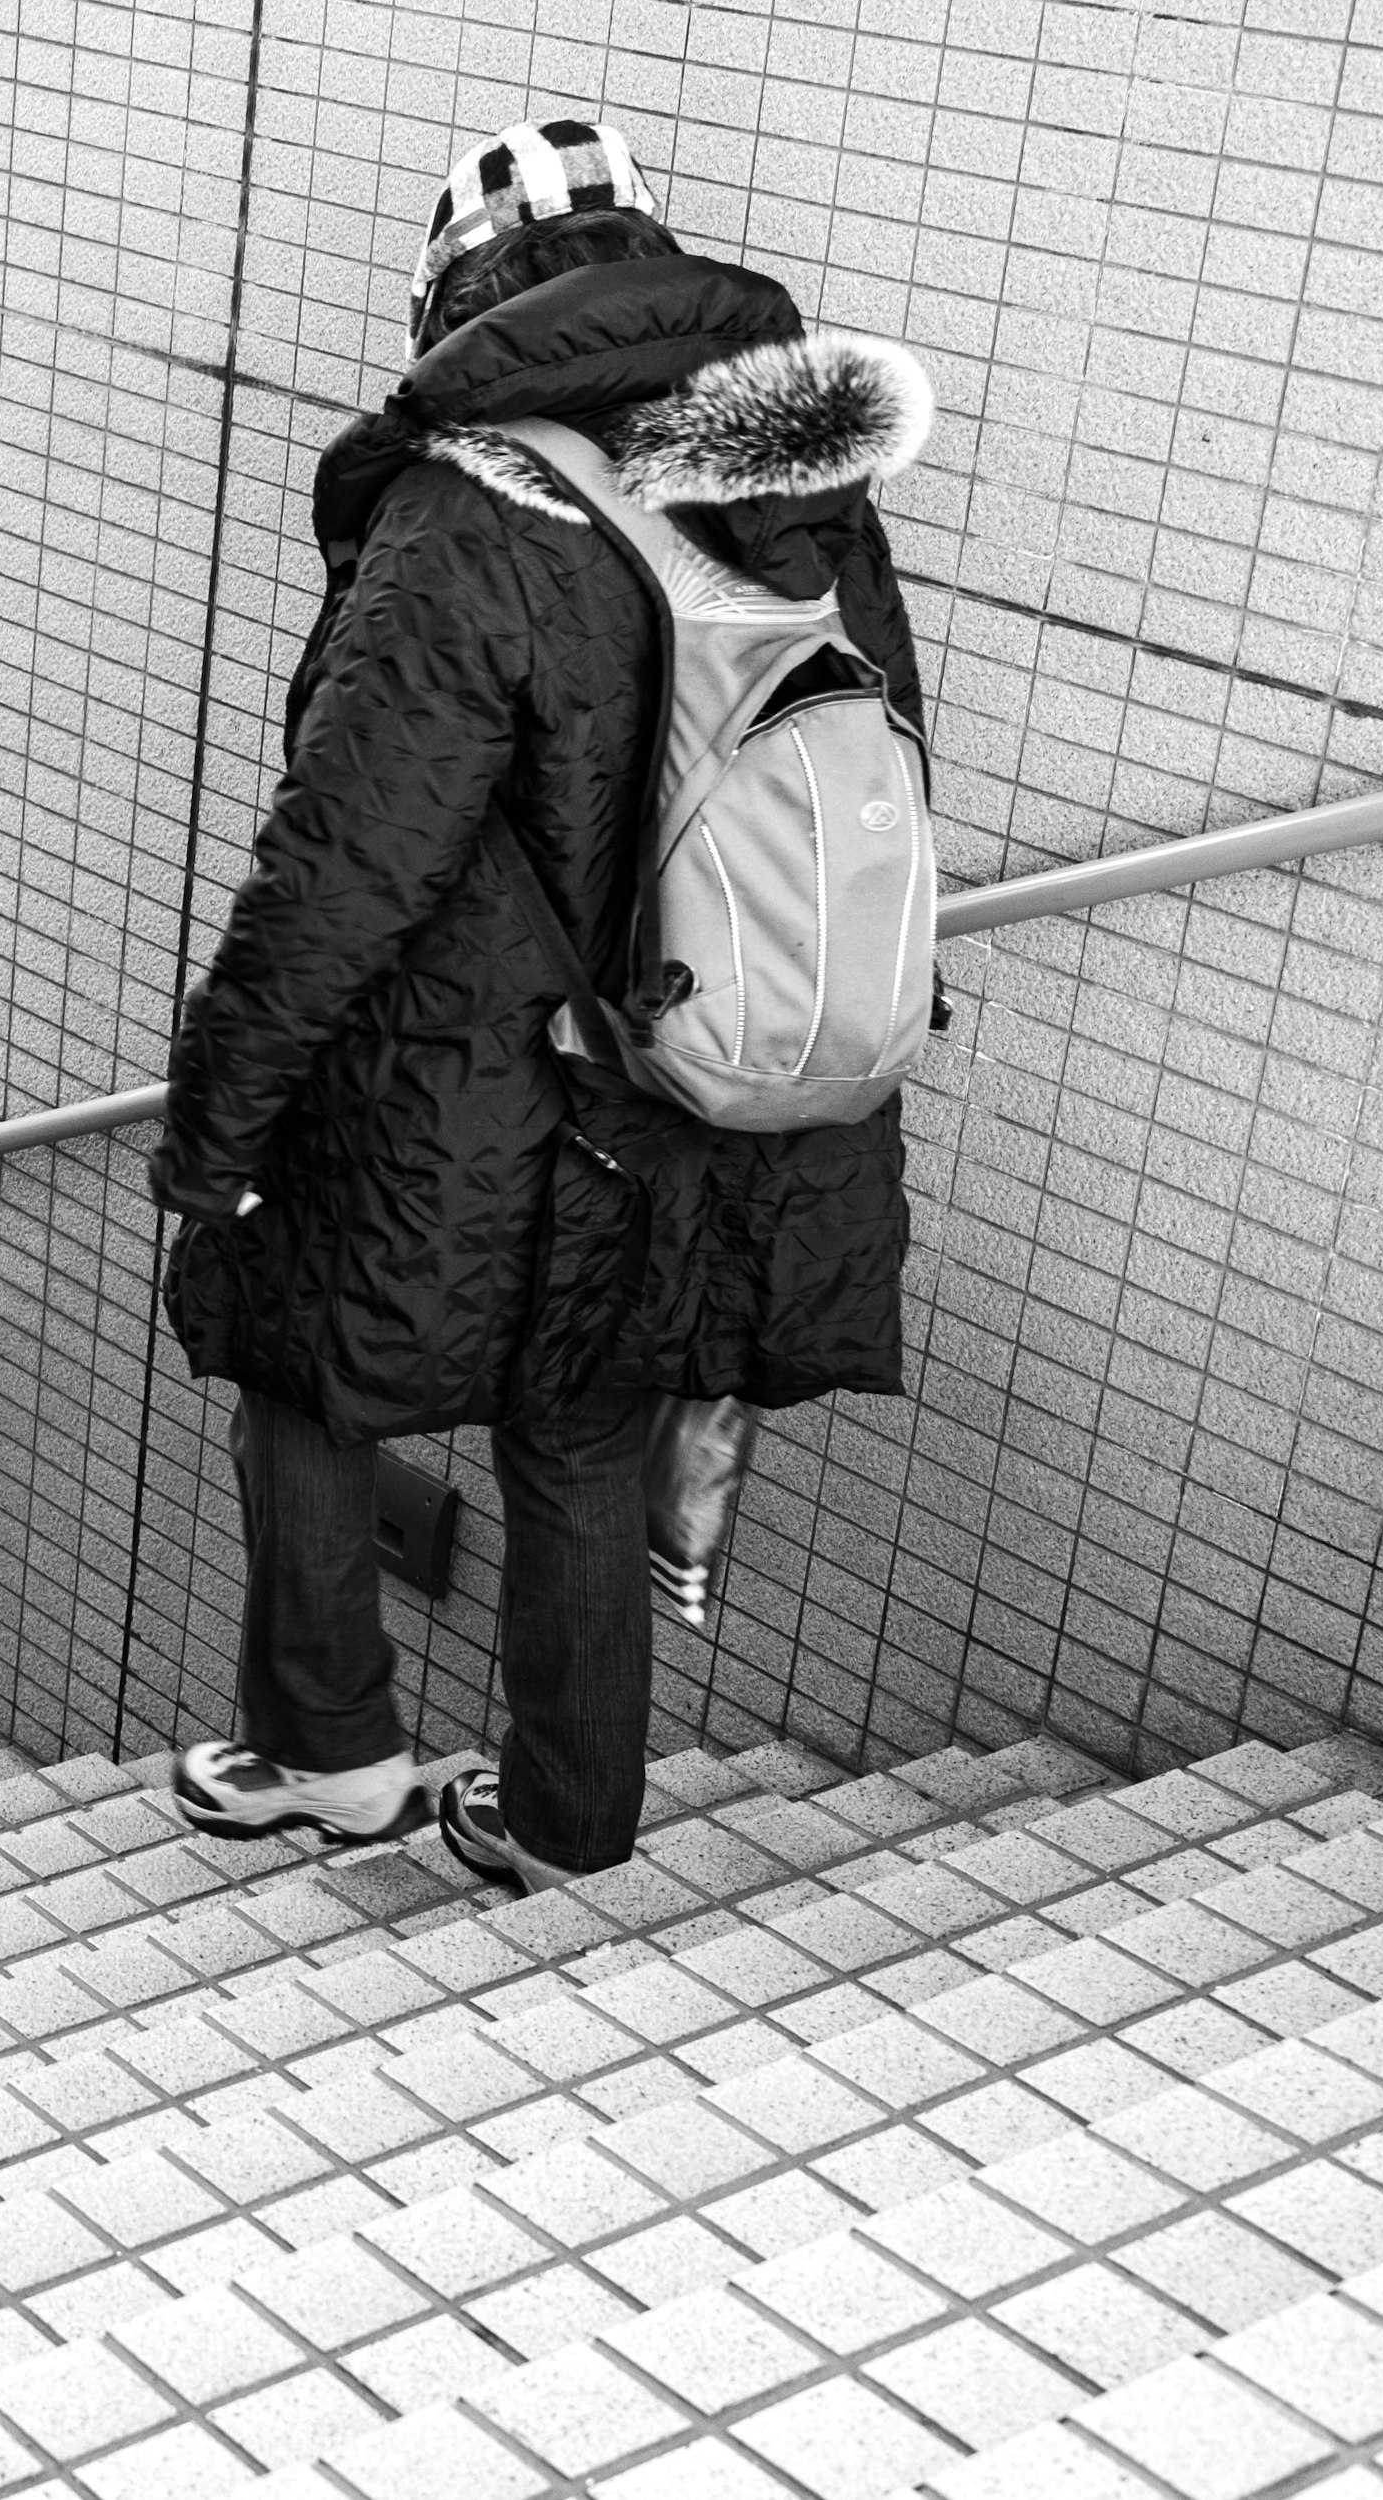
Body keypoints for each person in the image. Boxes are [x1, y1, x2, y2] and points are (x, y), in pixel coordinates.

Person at [147, 119, 931, 1889]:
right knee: (580, 1426)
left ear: (455, 297)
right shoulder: (807, 487)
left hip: (458, 1086)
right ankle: (569, 1822)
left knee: (293, 1344)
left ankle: (332, 1754)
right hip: (697, 1063)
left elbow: (342, 862)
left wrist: (220, 1128)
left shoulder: (465, 507)